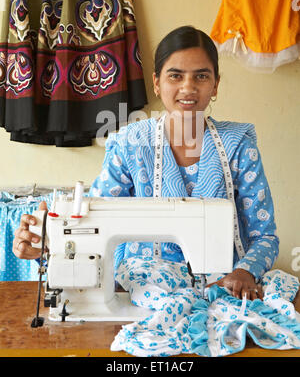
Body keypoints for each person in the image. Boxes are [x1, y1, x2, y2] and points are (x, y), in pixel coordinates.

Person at [12, 26, 279, 301]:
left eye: (201, 76)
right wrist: (46, 247)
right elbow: (92, 225)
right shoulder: (131, 145)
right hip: (146, 284)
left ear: (216, 85)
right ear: (156, 82)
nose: (188, 87)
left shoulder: (239, 146)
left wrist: (245, 272)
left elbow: (265, 236)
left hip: (225, 283)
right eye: (175, 76)